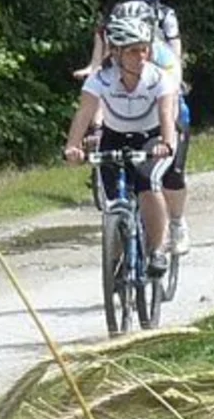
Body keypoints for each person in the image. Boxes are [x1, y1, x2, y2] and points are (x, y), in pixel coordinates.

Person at [63, 14, 178, 277]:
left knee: (148, 185)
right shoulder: (101, 79)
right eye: (133, 51)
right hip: (115, 135)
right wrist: (73, 146)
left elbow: (166, 114)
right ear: (115, 53)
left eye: (144, 50)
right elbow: (84, 113)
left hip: (152, 136)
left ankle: (158, 249)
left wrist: (167, 144)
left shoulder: (158, 78)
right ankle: (116, 257)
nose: (141, 56)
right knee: (114, 199)